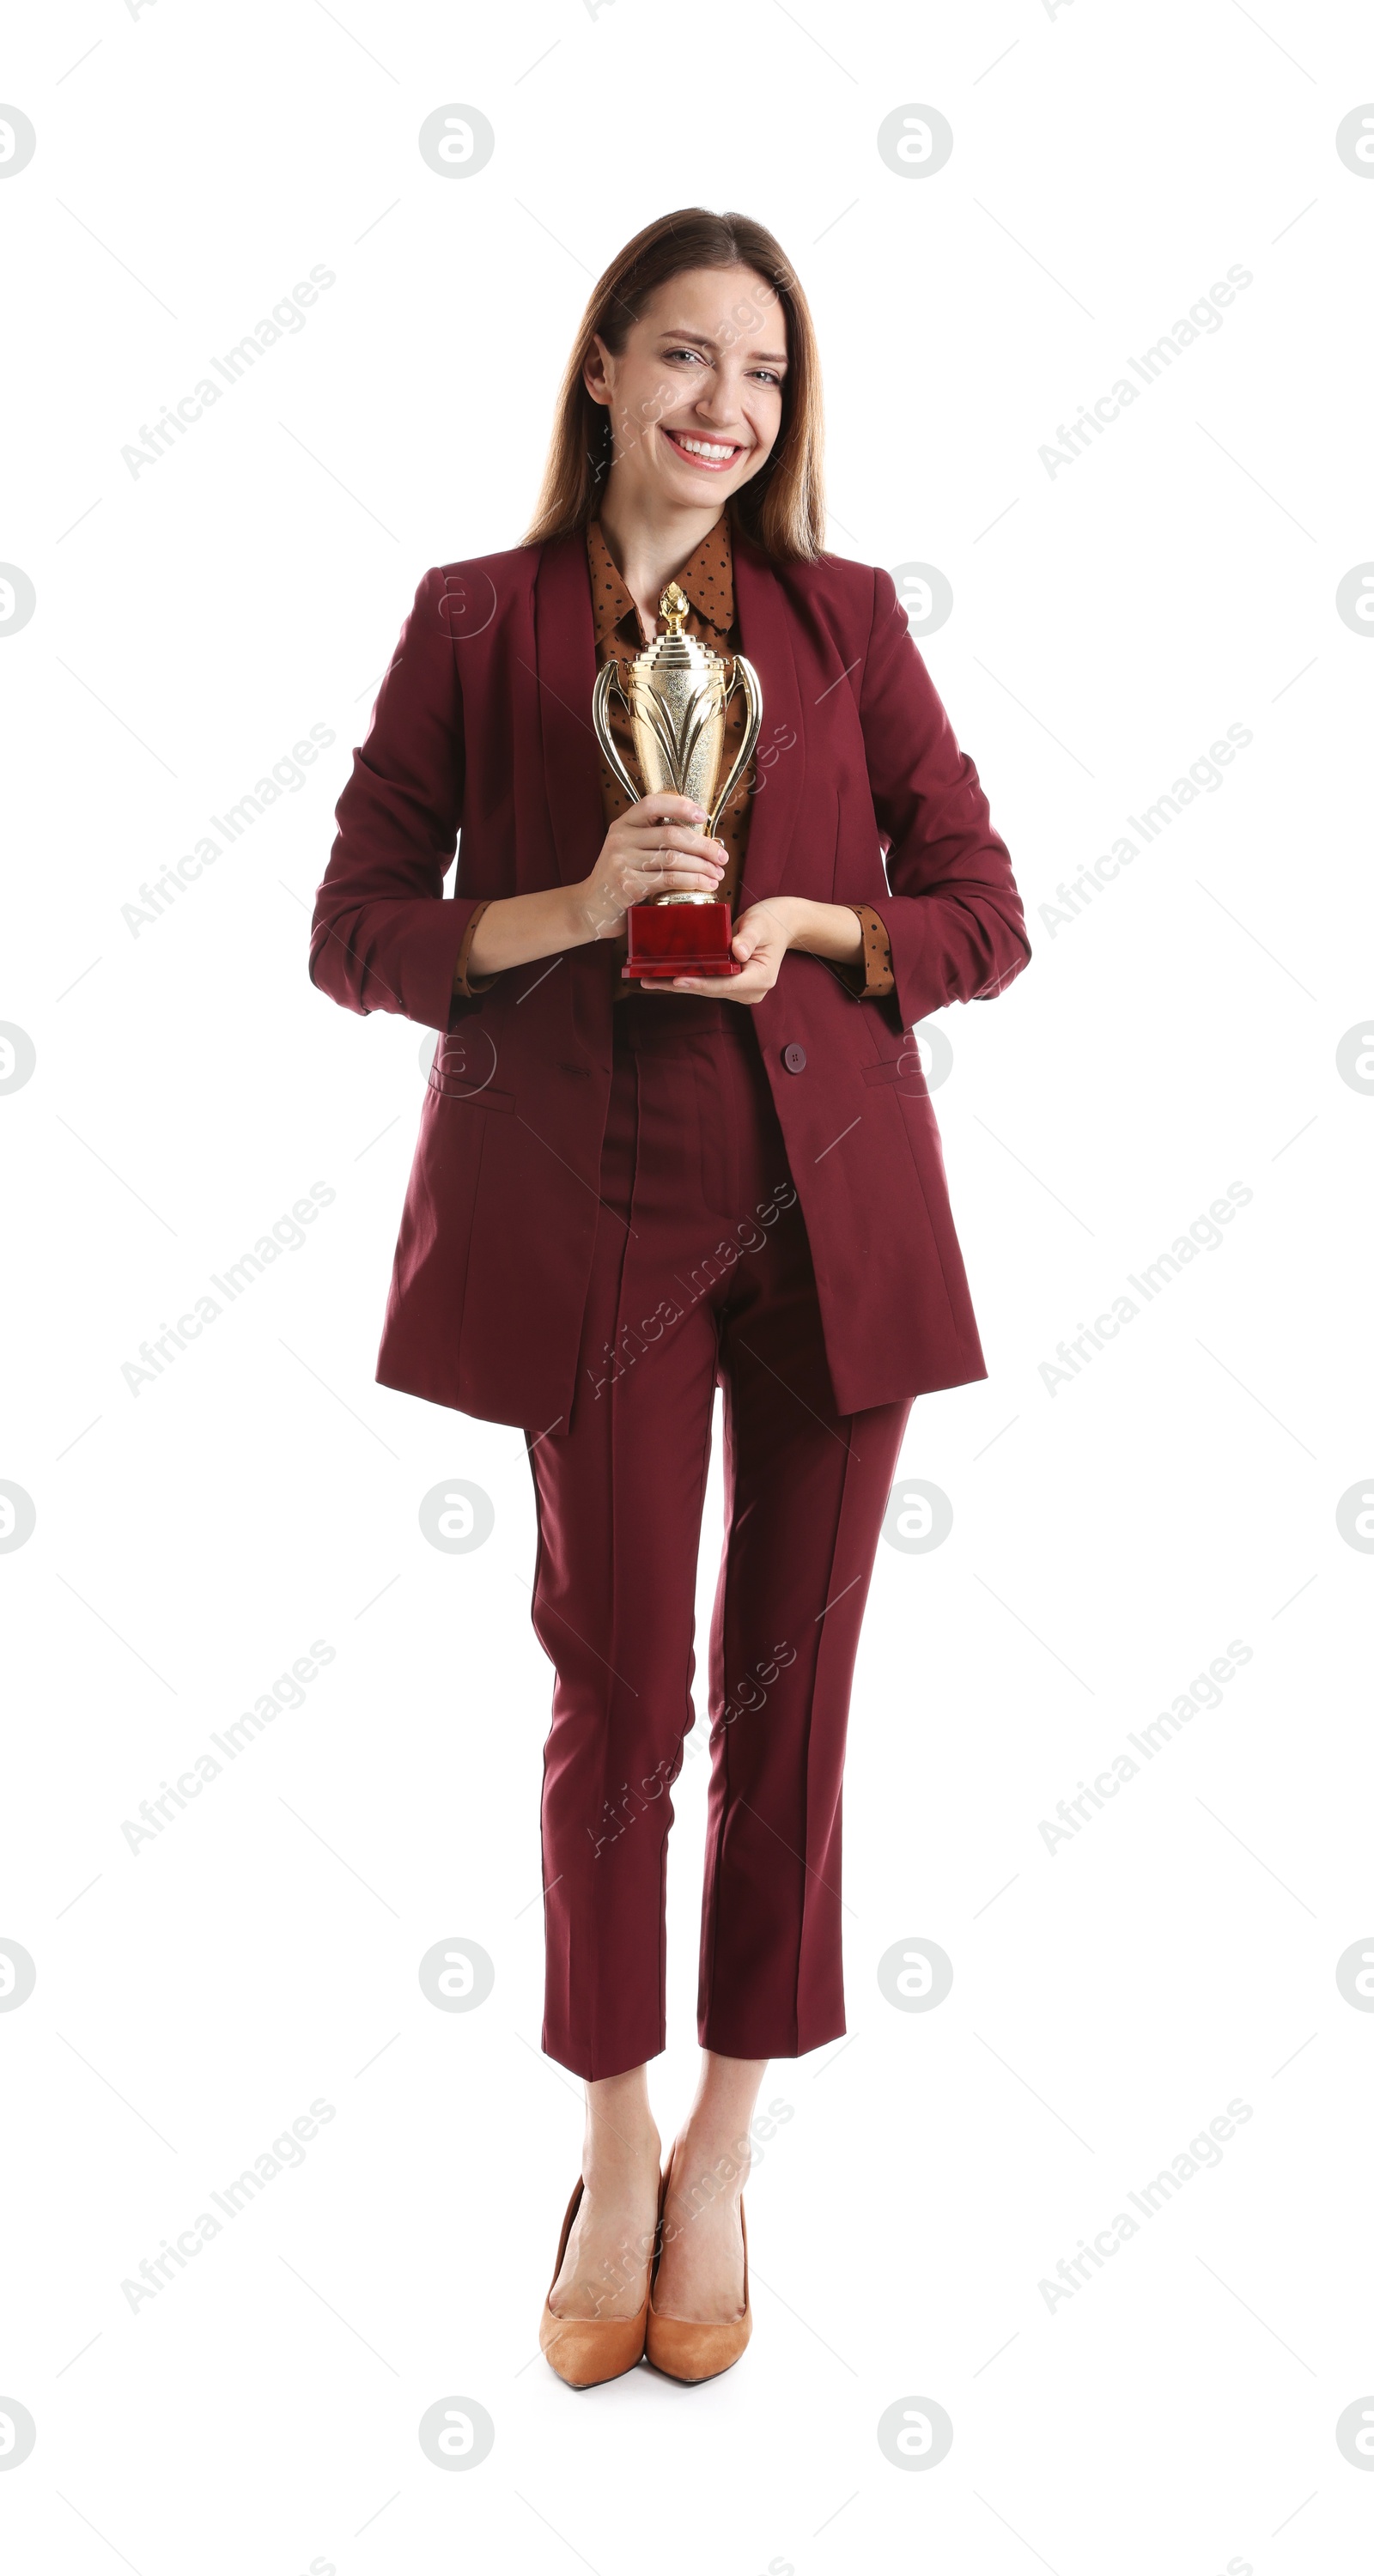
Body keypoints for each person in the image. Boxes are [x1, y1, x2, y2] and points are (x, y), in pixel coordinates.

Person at [309, 206, 1030, 2387]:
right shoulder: (474, 621)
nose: (730, 409)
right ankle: (607, 2142)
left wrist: (819, 920)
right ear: (605, 368)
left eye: (769, 377)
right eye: (691, 361)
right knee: (617, 1697)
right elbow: (352, 925)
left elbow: (983, 910)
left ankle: (727, 2146)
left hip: (822, 1220)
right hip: (587, 1215)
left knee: (786, 1699)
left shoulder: (843, 619)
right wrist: (549, 904)